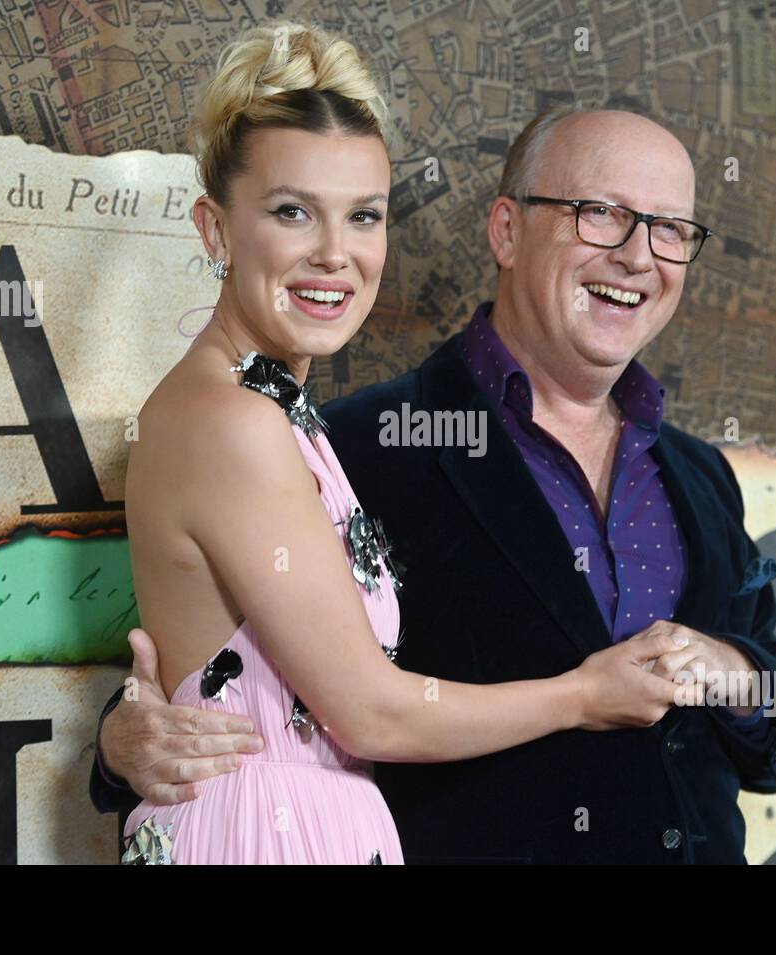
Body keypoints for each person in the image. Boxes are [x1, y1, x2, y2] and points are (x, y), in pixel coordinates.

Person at [113, 22, 710, 865]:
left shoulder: (284, 416)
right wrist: (584, 694)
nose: (335, 254)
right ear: (215, 231)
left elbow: (235, 651)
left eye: (364, 216)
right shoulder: (242, 420)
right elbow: (368, 711)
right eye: (292, 212)